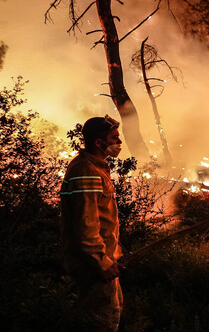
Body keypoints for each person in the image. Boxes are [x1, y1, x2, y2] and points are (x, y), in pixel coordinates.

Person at [60, 115, 124, 331]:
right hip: (93, 267)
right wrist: (102, 263)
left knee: (109, 317)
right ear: (99, 142)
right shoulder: (86, 171)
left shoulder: (96, 167)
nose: (119, 142)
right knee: (101, 324)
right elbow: (86, 227)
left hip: (103, 261)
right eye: (114, 138)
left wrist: (113, 256)